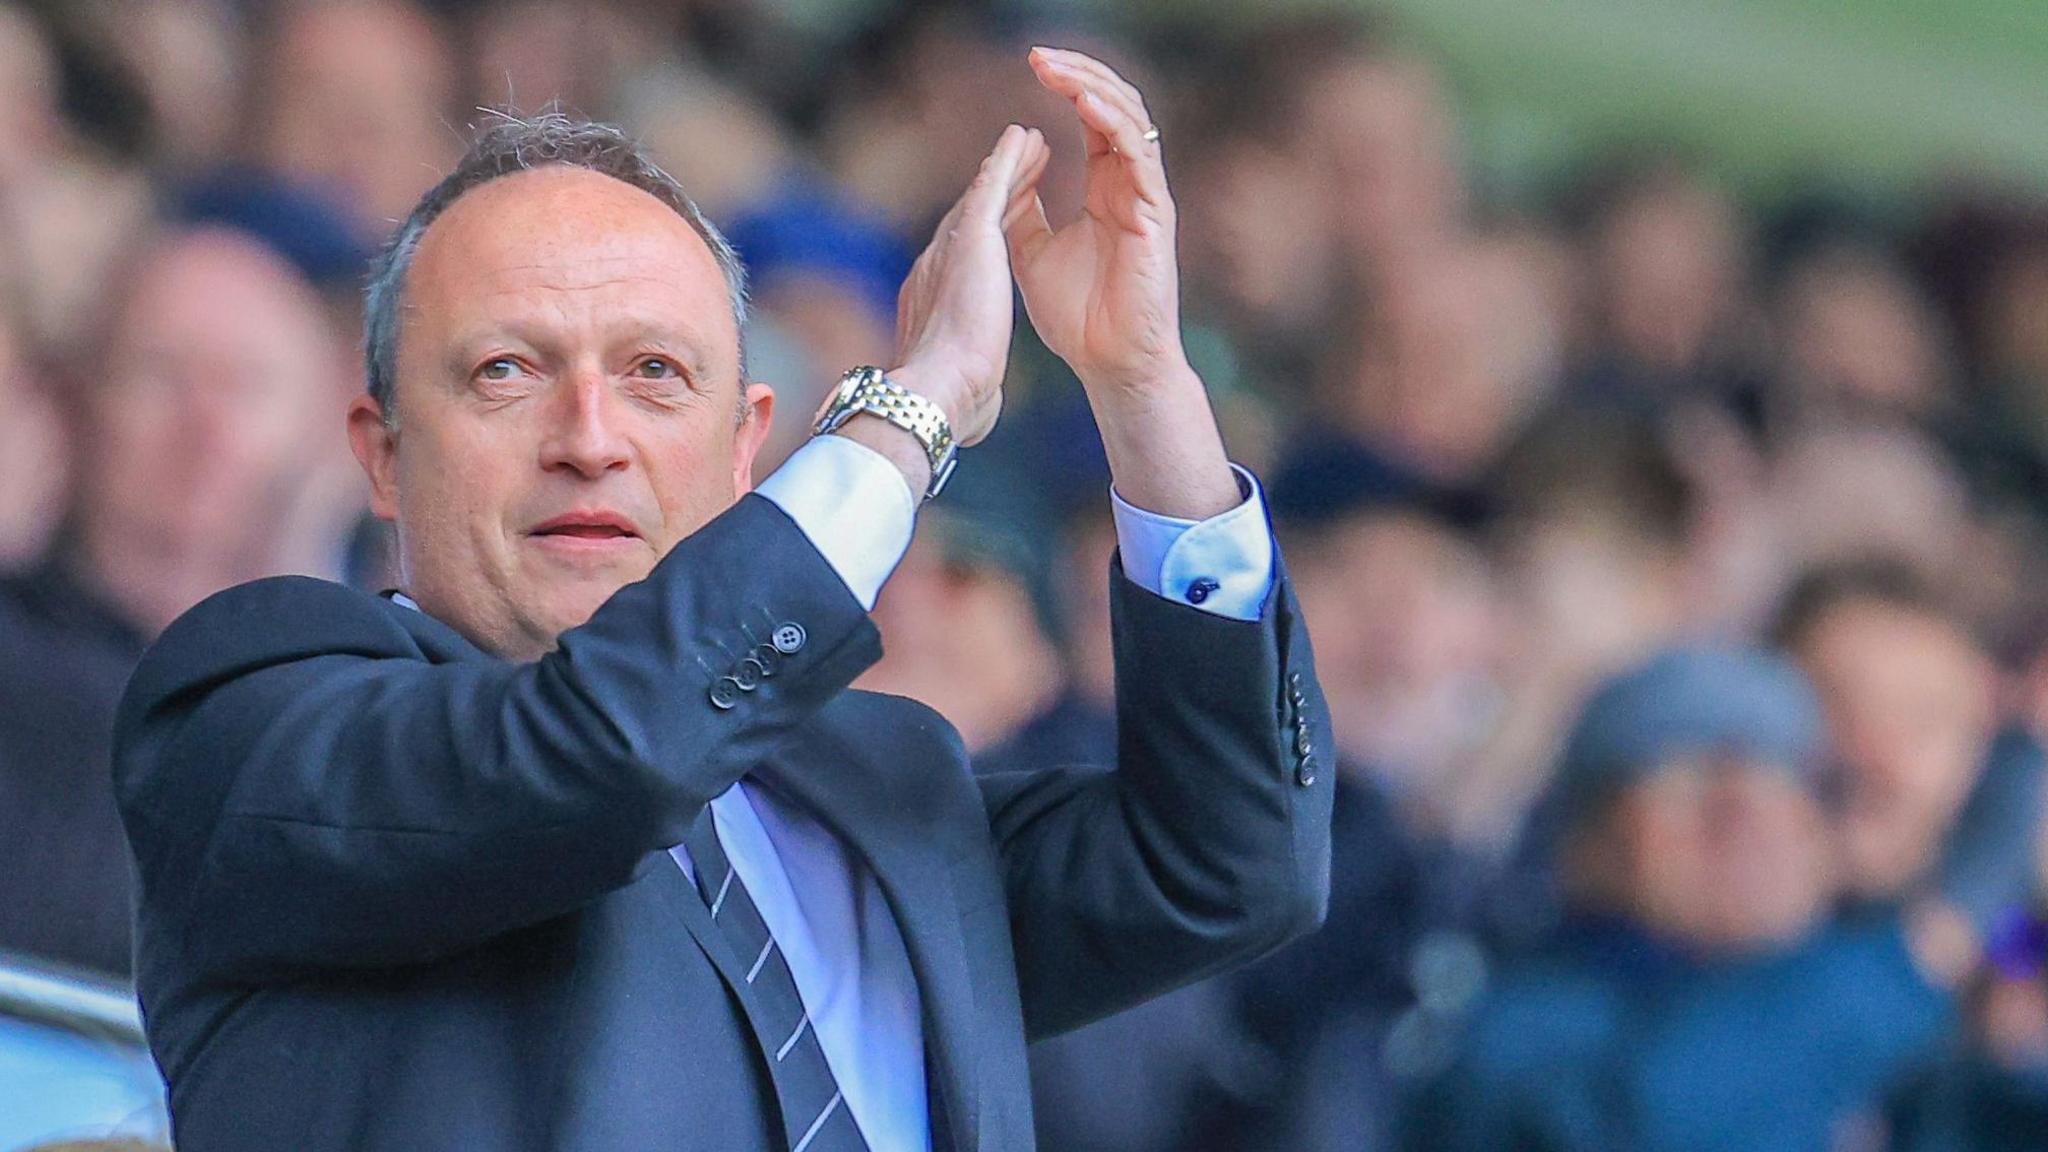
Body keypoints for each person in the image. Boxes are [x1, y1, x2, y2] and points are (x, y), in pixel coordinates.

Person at [115, 48, 1332, 1152]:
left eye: (655, 374)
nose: (589, 439)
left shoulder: (880, 785)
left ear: (747, 447)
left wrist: (1140, 387)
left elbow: (1230, 863)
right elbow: (608, 752)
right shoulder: (247, 712)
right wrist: (914, 409)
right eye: (506, 372)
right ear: (381, 454)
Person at [1402, 645, 2035, 1152]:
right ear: (1582, 842)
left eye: (1780, 783)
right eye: (1690, 780)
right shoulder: (1503, 1005)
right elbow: (1634, 1124)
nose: (1748, 818)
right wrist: (1928, 940)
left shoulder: (1880, 1021)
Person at [0, 224, 352, 977]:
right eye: (161, 375)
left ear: (325, 434)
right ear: (74, 402)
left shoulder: (349, 714)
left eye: (248, 386)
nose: (206, 428)